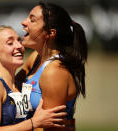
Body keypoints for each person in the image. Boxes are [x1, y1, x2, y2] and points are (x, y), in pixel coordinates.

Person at [15, 1, 88, 131]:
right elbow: (13, 89)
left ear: (50, 33)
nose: (23, 22)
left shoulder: (54, 72)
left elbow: (51, 128)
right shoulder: (35, 58)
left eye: (32, 20)